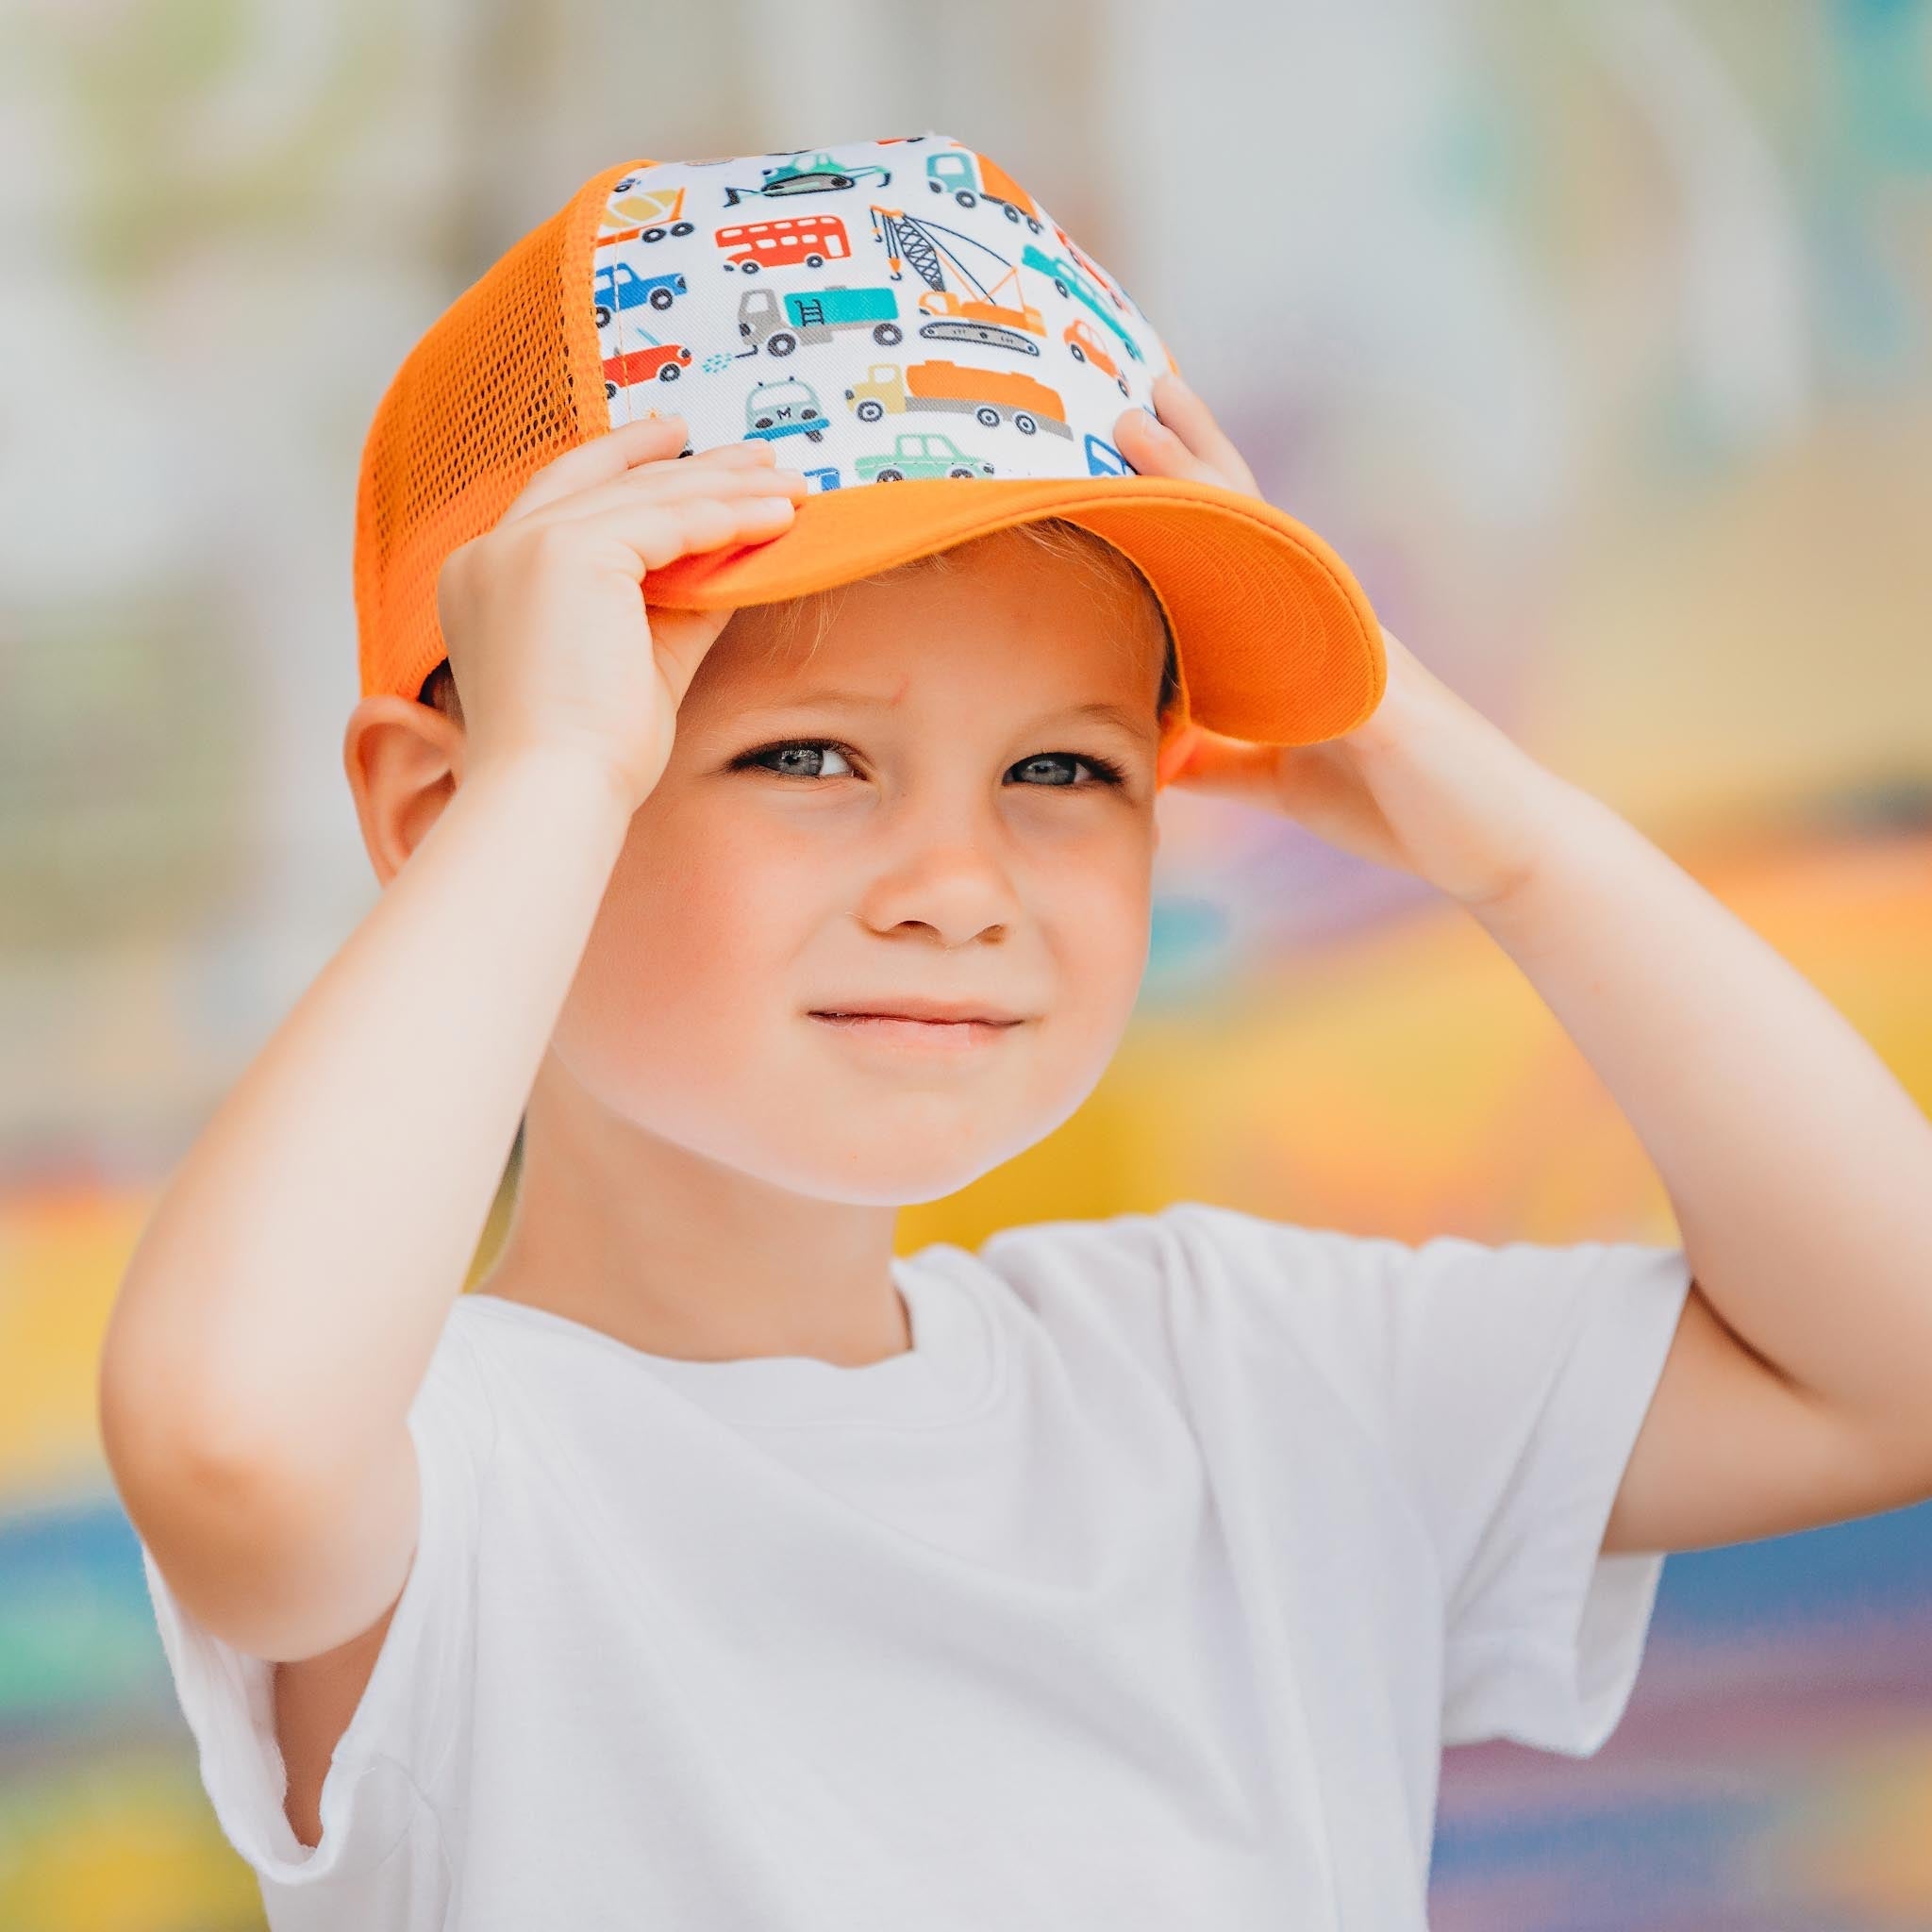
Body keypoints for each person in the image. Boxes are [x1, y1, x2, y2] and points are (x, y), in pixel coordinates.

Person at [98, 133, 1932, 1932]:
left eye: (1063, 766)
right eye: (805, 756)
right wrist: (553, 769)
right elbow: (233, 1440)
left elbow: (1893, 1358)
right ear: (444, 815)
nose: (957, 882)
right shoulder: (453, 1465)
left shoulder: (1252, 1377)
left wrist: (1505, 833)